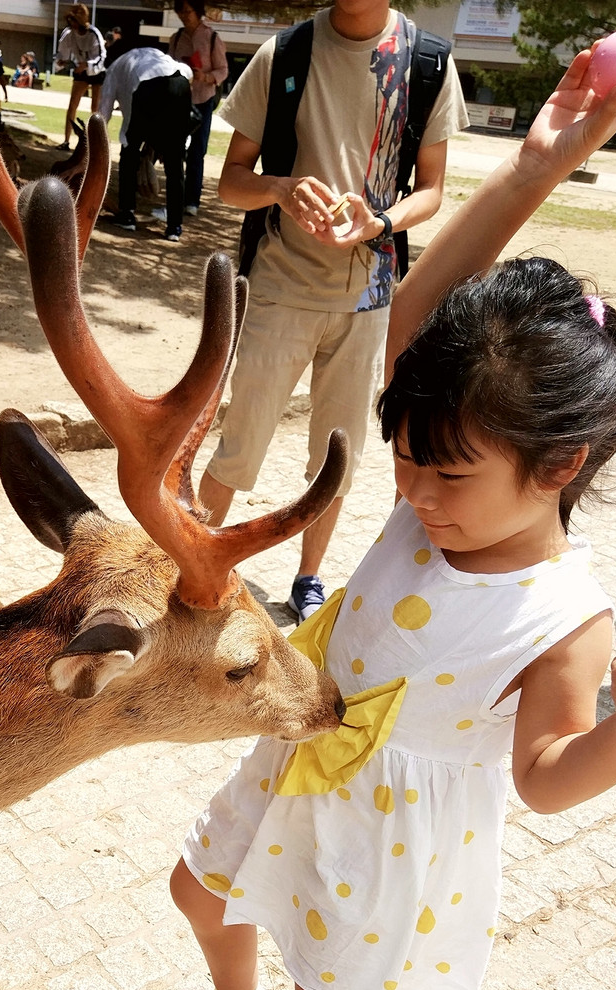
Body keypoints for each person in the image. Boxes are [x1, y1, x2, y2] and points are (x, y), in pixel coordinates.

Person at [139, 52, 616, 990]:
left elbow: (543, 780)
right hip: (300, 749)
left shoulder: (564, 619)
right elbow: (428, 305)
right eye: (407, 460)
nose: (416, 491)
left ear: (561, 467)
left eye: (447, 474)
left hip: (394, 832)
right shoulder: (431, 484)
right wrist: (542, 162)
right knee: (201, 890)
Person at [199, 2, 465, 624]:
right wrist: (279, 187)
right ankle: (190, 562)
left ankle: (308, 578)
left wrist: (381, 222)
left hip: (368, 296)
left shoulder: (425, 63)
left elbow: (431, 192)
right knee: (241, 440)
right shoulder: (284, 53)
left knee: (336, 454)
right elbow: (231, 182)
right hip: (280, 288)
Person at [98, 46, 193, 243]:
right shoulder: (154, 54)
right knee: (175, 161)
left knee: (129, 150)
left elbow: (103, 112)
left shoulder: (114, 69)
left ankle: (127, 214)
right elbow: (187, 73)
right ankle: (174, 226)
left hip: (146, 87)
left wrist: (93, 143)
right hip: (180, 82)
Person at [168, 0, 228, 216]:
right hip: (180, 100)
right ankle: (174, 196)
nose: (184, 15)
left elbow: (223, 70)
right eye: (180, 11)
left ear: (198, 11)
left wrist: (207, 77)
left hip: (203, 99)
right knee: (174, 150)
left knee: (197, 151)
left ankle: (192, 200)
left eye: (188, 11)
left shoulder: (212, 38)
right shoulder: (176, 38)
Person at [55, 4, 106, 150]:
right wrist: (61, 61)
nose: (73, 24)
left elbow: (101, 56)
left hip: (97, 72)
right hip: (80, 71)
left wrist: (86, 65)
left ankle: (97, 142)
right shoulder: (69, 34)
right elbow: (62, 52)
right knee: (72, 105)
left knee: (95, 107)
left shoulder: (94, 33)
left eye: (75, 21)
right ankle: (66, 140)